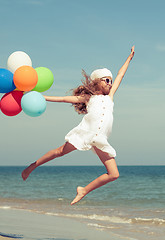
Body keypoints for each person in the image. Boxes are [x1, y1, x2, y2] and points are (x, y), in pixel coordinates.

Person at [21, 46, 135, 205]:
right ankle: (32, 166)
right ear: (97, 82)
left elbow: (121, 75)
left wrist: (129, 58)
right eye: (106, 80)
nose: (110, 83)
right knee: (59, 151)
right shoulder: (88, 98)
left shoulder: (110, 97)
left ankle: (83, 190)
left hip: (100, 139)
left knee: (114, 174)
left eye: (111, 80)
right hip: (86, 133)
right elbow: (62, 99)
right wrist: (41, 97)